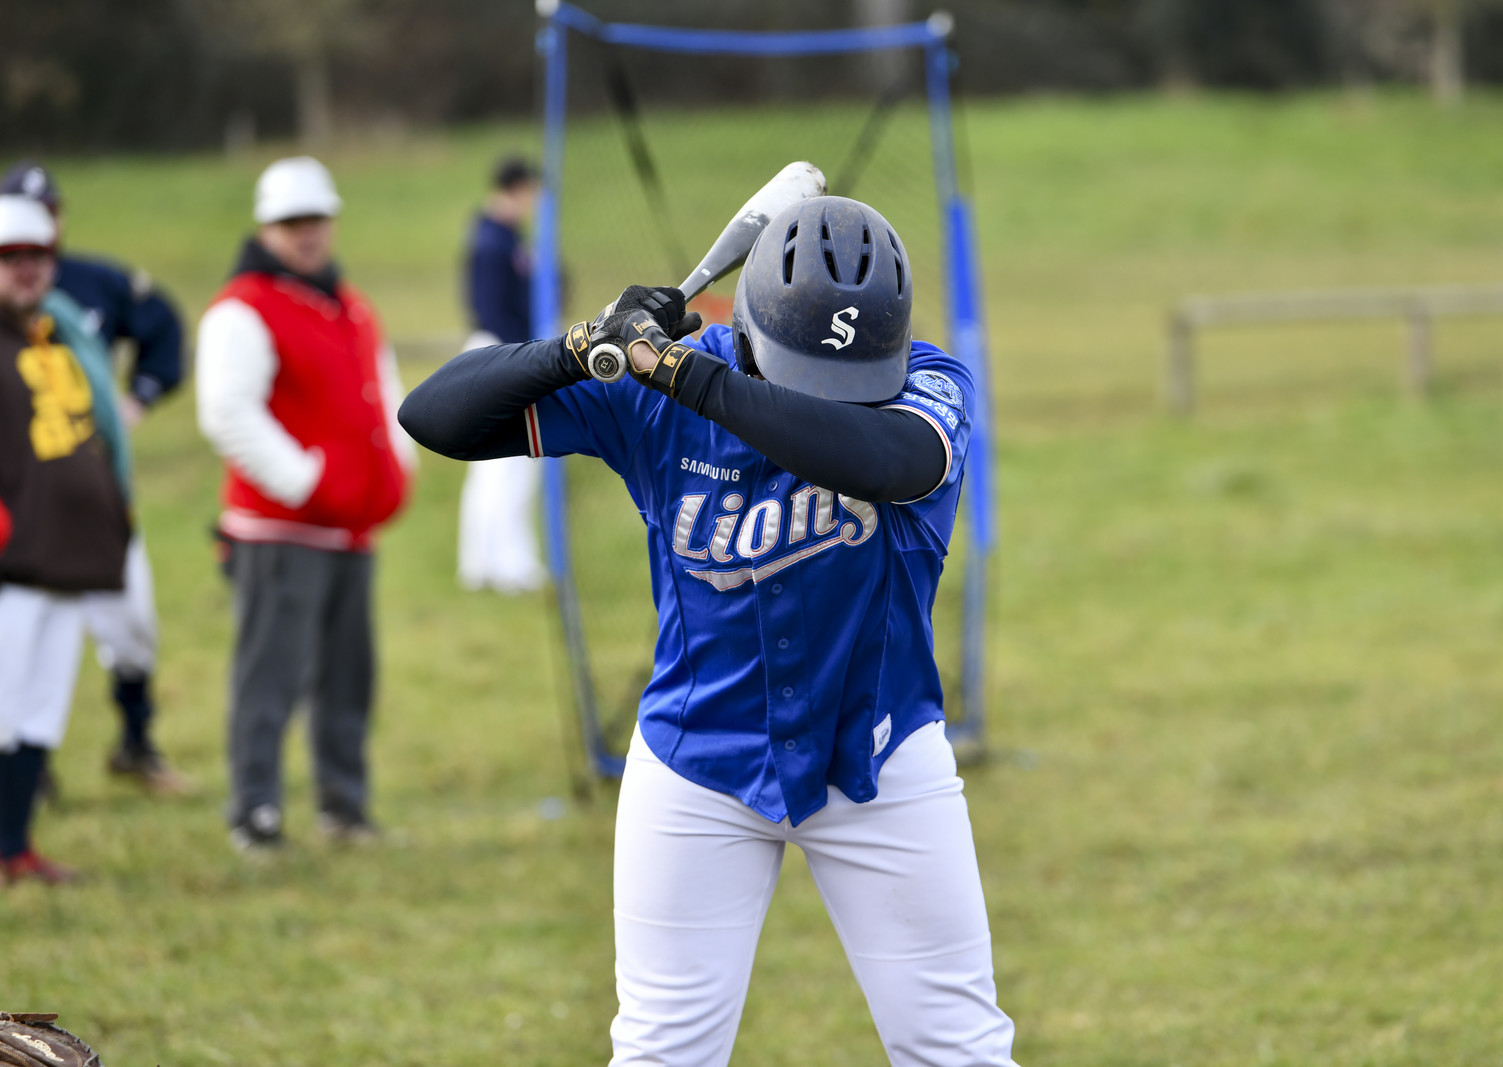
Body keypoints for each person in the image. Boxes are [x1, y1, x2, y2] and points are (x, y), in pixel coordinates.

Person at [401, 196, 1018, 1065]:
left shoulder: (930, 384)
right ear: (754, 331)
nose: (830, 397)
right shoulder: (657, 391)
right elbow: (436, 419)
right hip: (698, 761)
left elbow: (887, 460)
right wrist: (578, 348)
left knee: (957, 1047)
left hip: (881, 753)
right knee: (661, 1052)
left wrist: (686, 376)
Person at [195, 157, 416, 853]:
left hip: (348, 529)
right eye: (292, 222)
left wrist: (393, 472)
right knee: (271, 675)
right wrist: (305, 482)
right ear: (267, 227)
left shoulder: (347, 302)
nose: (307, 233)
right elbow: (228, 411)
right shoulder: (245, 306)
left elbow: (377, 388)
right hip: (282, 530)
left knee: (350, 676)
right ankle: (254, 811)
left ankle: (343, 806)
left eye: (316, 218)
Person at [1, 159, 188, 794]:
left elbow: (163, 327)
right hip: (23, 521)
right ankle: (29, 781)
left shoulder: (83, 290)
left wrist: (140, 395)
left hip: (98, 503)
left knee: (133, 629)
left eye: (46, 218)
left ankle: (135, 742)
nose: (28, 255)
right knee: (23, 663)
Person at [0, 195, 134, 884]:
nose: (26, 271)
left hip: (69, 559)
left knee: (38, 714)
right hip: (12, 566)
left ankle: (15, 848)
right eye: (10, 258)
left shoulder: (53, 337)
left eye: (37, 257)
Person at [455, 155, 547, 593]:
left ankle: (481, 565)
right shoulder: (493, 243)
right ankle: (510, 566)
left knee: (494, 469)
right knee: (512, 462)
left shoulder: (506, 238)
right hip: (499, 352)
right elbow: (491, 309)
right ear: (517, 188)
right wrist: (526, 358)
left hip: (498, 352)